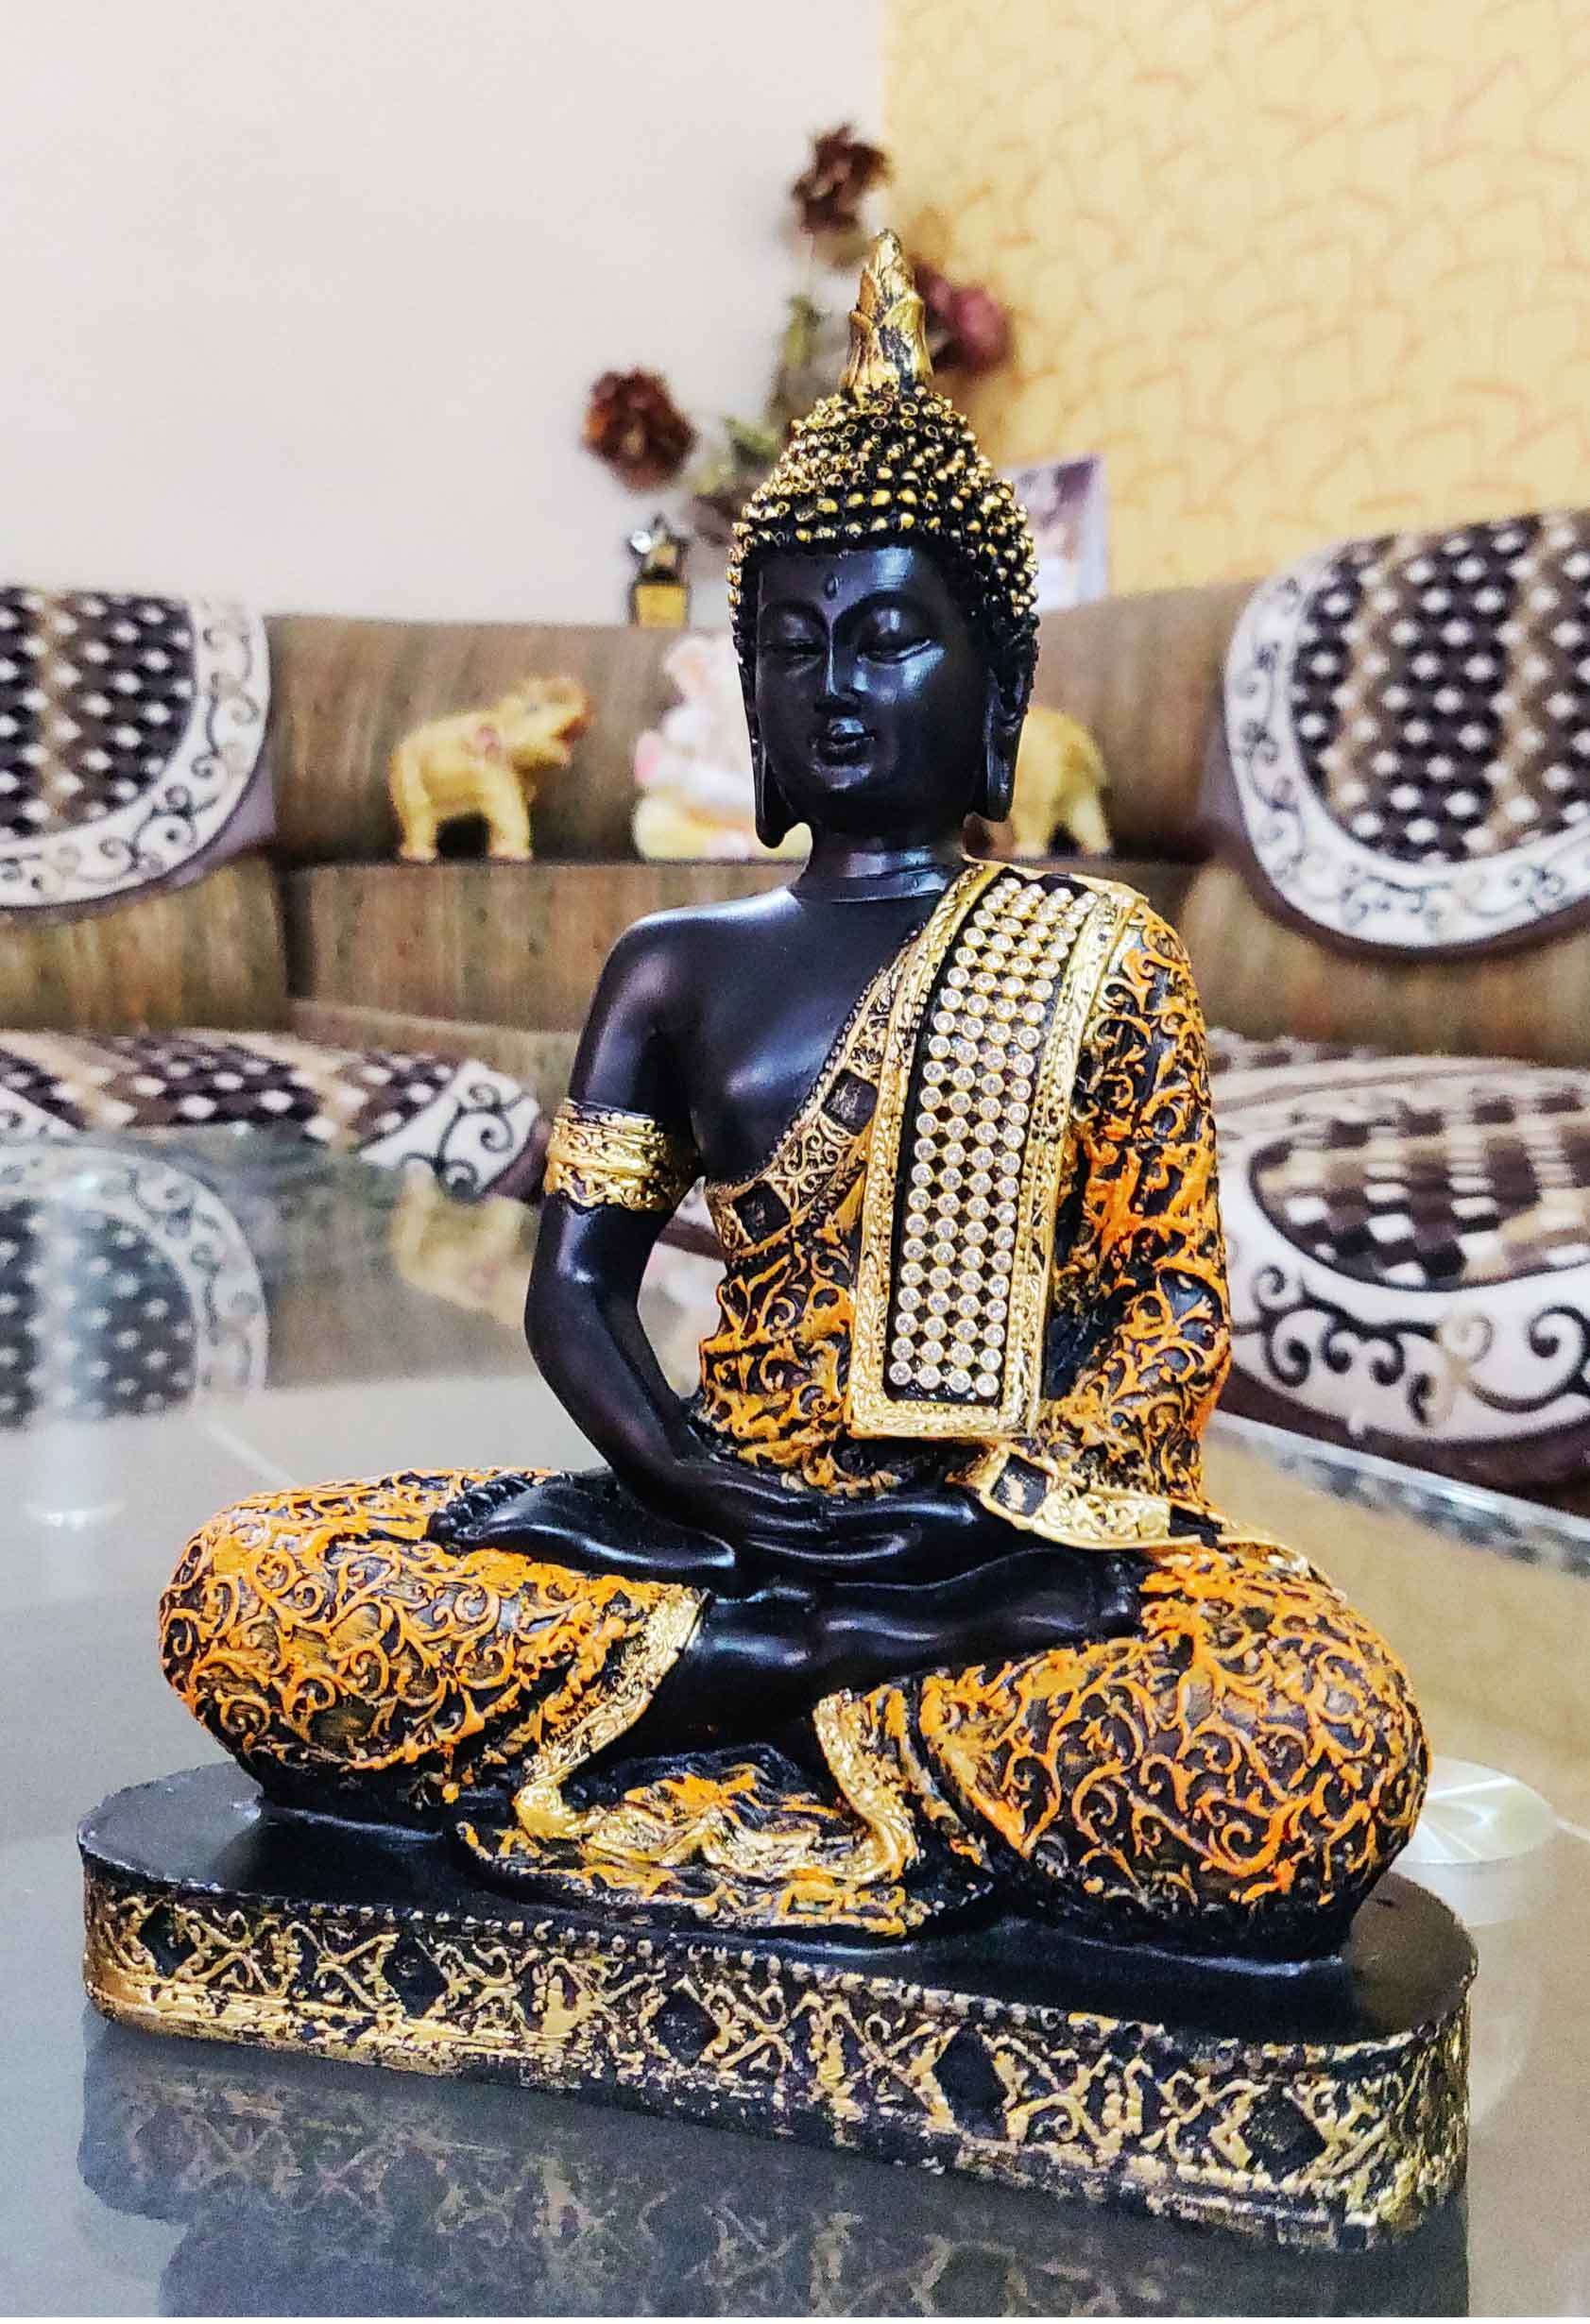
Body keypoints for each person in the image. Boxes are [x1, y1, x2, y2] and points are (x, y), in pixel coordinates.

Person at [162, 236, 1426, 1950]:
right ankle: (811, 1667)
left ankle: (722, 1686)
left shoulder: (1103, 953)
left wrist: (997, 1519)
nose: (837, 688)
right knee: (252, 1588)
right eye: (794, 645)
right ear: (750, 694)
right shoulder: (674, 963)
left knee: (1308, 1744)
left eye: (892, 639)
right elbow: (578, 1290)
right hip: (728, 1519)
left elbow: (1171, 1304)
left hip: (1002, 1551)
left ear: (998, 689)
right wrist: (693, 1484)